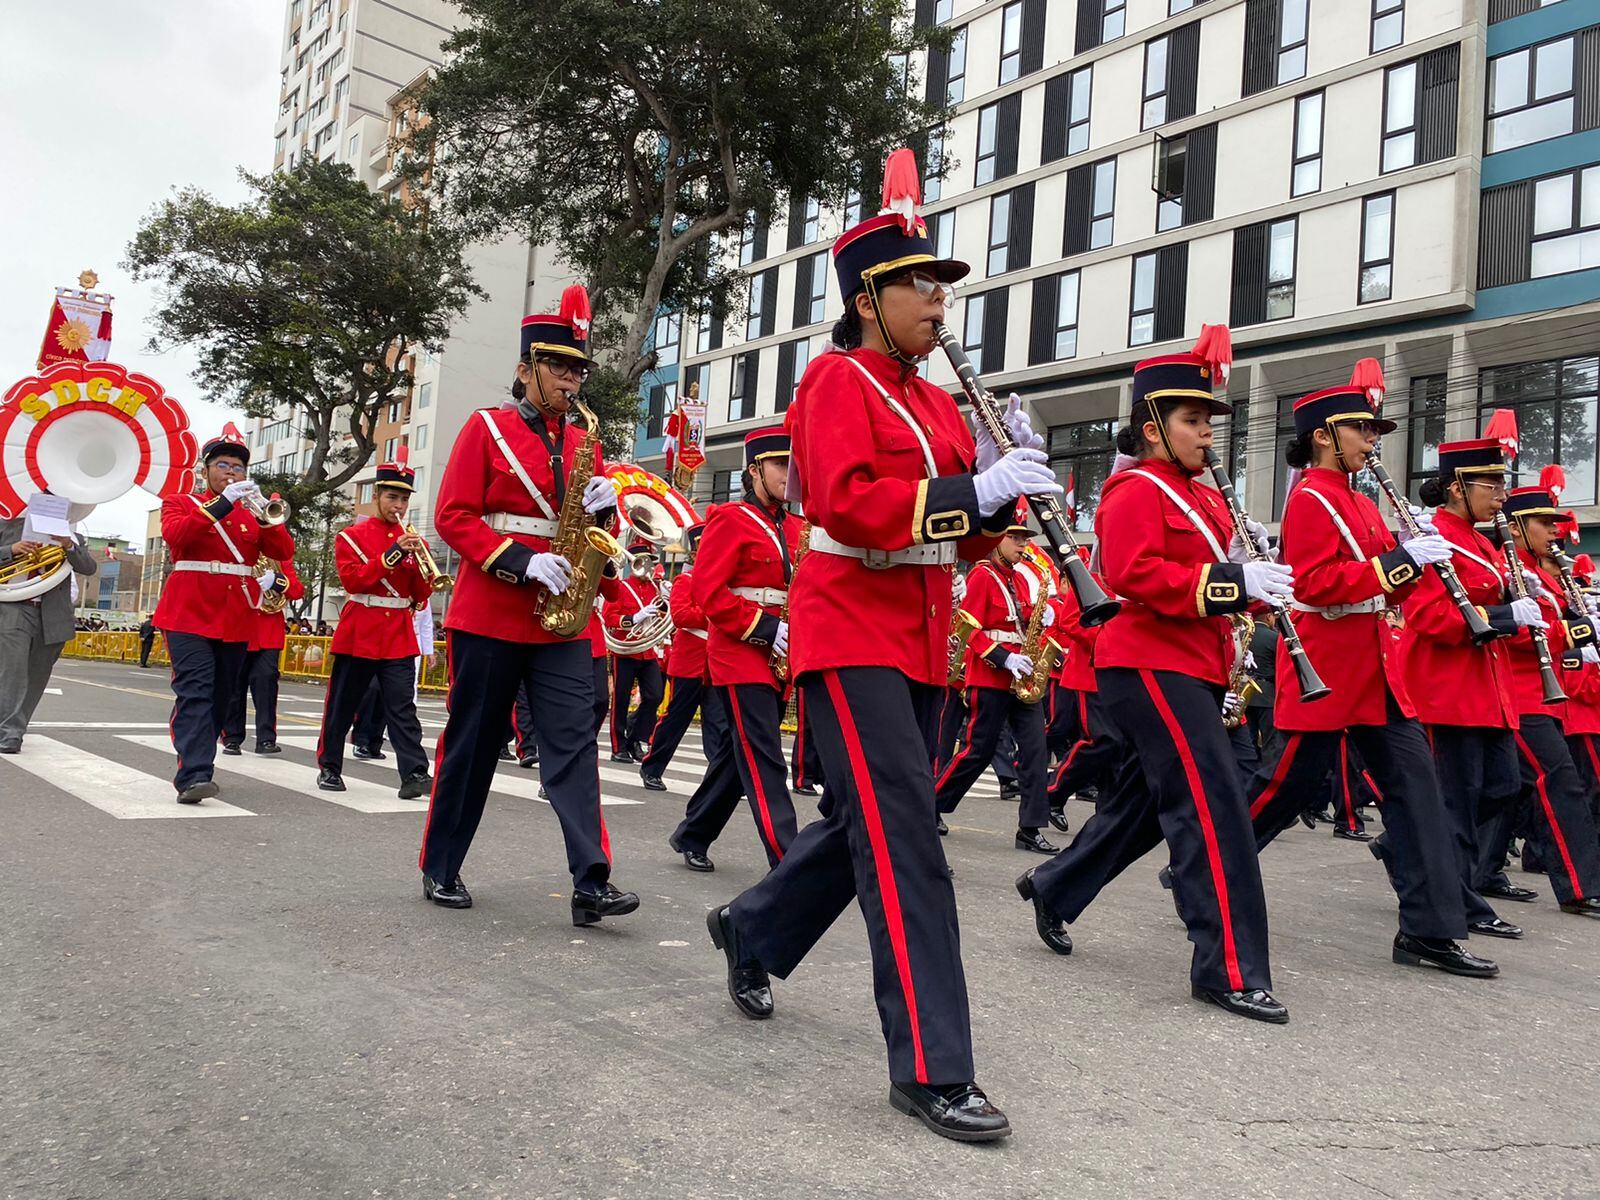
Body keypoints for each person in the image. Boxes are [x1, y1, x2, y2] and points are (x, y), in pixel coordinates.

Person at [706, 151, 1060, 1141]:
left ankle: (755, 927)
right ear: (868, 296)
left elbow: (965, 533)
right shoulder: (832, 381)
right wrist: (969, 492)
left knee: (869, 819)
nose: (937, 303)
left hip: (918, 640)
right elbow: (856, 510)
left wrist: (1005, 490)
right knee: (908, 842)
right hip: (849, 633)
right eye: (918, 284)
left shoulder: (944, 404)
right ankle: (932, 1068)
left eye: (941, 287)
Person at [1015, 331, 1294, 1023]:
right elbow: (1139, 576)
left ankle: (1055, 886)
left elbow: (1212, 585)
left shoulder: (1198, 495)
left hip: (1190, 664)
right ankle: (1227, 966)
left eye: (1208, 421)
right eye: (1192, 421)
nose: (1206, 433)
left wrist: (1262, 583)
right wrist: (1234, 578)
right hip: (1149, 664)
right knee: (1211, 807)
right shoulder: (1134, 487)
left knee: (1143, 806)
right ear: (1153, 429)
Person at [1242, 380, 1497, 979]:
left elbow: (1384, 580)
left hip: (1379, 667)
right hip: (1328, 664)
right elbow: (1314, 583)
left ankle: (1429, 931)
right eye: (1362, 431)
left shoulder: (1361, 499)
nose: (1372, 443)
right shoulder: (1310, 498)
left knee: (1418, 794)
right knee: (1284, 789)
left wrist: (1422, 561)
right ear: (1325, 437)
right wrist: (1405, 561)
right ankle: (1201, 865)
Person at [418, 286, 640, 926]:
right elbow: (453, 516)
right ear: (525, 369)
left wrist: (607, 511)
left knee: (574, 745)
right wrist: (518, 560)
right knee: (474, 742)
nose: (572, 379)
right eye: (560, 367)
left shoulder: (585, 441)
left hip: (562, 619)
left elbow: (594, 530)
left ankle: (591, 881)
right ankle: (441, 864)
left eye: (579, 369)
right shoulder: (484, 428)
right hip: (492, 610)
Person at [1394, 438, 1529, 938]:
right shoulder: (1435, 537)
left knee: (1502, 789)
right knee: (1459, 802)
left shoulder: (1483, 541)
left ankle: (1403, 843)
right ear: (1456, 488)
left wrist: (1516, 606)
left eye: (1501, 484)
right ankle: (1463, 899)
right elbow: (1428, 615)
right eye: (1489, 485)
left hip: (1486, 687)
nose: (1500, 494)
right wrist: (1502, 615)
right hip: (1447, 687)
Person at [668, 429, 803, 871]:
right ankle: (789, 856)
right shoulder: (730, 518)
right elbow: (708, 592)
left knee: (736, 753)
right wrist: (762, 626)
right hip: (739, 650)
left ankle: (693, 832)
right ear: (754, 470)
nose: (790, 473)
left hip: (783, 651)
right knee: (764, 753)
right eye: (780, 465)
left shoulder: (800, 526)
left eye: (793, 465)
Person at [152, 425, 293, 802]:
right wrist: (223, 503)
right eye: (223, 465)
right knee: (195, 692)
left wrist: (266, 514)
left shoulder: (251, 514)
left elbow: (284, 550)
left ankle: (201, 763)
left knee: (221, 696)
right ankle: (195, 774)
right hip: (189, 612)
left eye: (238, 467)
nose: (232, 473)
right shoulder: (180, 501)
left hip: (235, 616)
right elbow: (177, 536)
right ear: (206, 470)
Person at [1491, 485, 1600, 919]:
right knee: (1561, 781)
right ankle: (1581, 885)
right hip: (1518, 695)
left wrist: (1581, 628)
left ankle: (1472, 868)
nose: (1554, 532)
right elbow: (1515, 634)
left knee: (1497, 791)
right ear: (1516, 527)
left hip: (1542, 696)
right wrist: (1574, 639)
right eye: (1545, 523)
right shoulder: (1507, 568)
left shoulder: (1544, 575)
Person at [934, 506, 1058, 854]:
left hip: (1023, 680)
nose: (1021, 545)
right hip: (990, 677)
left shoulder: (1018, 579)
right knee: (977, 751)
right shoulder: (981, 576)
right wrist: (1003, 656)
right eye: (1015, 537)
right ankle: (930, 806)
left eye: (1023, 538)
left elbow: (1023, 620)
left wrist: (1046, 613)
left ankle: (1030, 829)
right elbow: (966, 628)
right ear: (997, 540)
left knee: (1035, 751)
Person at [315, 461, 434, 798]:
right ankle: (329, 767)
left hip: (397, 633)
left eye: (404, 500)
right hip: (360, 630)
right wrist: (394, 555)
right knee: (342, 705)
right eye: (392, 498)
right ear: (377, 495)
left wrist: (421, 571)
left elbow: (420, 596)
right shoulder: (351, 537)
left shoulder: (412, 540)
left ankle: (415, 773)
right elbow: (353, 579)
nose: (398, 506)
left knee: (402, 708)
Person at [0, 511, 98, 753]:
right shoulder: (6, 524)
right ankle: (8, 732)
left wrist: (68, 545)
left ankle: (16, 727)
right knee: (12, 671)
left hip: (52, 612)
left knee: (37, 675)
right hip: (14, 605)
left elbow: (88, 567)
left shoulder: (72, 534)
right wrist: (12, 549)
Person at [639, 522, 721, 790]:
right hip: (689, 664)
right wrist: (716, 616)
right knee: (675, 720)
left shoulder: (721, 582)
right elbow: (682, 616)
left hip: (715, 664)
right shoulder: (685, 581)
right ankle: (652, 767)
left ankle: (717, 778)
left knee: (718, 724)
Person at [222, 554, 302, 754]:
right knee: (234, 686)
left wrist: (276, 580)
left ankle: (266, 739)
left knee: (266, 684)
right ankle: (231, 737)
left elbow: (298, 590)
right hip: (238, 626)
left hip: (268, 633)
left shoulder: (279, 558)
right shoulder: (236, 553)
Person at [604, 543, 666, 762]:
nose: (648, 568)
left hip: (647, 651)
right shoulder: (621, 587)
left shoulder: (655, 589)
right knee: (620, 699)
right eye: (644, 562)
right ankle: (618, 746)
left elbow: (666, 616)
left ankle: (636, 738)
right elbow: (610, 618)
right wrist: (635, 618)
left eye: (651, 562)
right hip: (625, 651)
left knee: (655, 695)